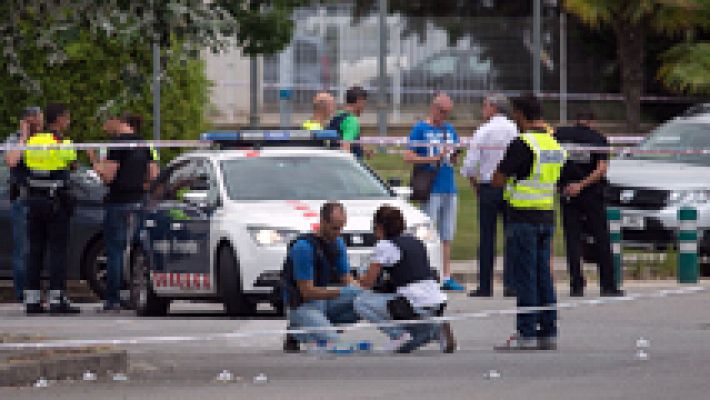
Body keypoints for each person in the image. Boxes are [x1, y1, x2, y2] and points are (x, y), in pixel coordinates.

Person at [491, 94, 565, 350]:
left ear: (521, 113)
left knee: (526, 276)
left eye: (515, 113)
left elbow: (498, 178)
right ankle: (548, 331)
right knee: (544, 275)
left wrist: (506, 180)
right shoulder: (553, 144)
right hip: (546, 214)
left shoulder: (523, 143)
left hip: (523, 217)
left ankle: (526, 332)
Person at [354, 205, 456, 353]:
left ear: (380, 227)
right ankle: (435, 329)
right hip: (435, 301)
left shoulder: (385, 245)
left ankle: (397, 335)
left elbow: (369, 282)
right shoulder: (415, 241)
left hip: (413, 303)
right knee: (404, 348)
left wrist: (355, 278)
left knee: (361, 302)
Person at [89, 113, 160, 311]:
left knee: (115, 252)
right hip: (139, 203)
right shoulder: (145, 145)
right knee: (138, 250)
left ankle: (113, 299)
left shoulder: (117, 145)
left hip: (119, 202)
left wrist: (94, 162)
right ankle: (137, 297)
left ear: (123, 123)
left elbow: (108, 177)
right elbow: (154, 175)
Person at [555, 112, 625, 297]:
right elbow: (601, 169)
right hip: (591, 193)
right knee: (601, 237)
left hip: (567, 192)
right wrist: (582, 185)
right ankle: (607, 285)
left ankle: (576, 284)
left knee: (572, 240)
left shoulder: (559, 135)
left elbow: (551, 162)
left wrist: (560, 185)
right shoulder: (597, 138)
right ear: (592, 122)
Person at [22, 103, 81, 314]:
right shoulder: (63, 143)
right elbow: (73, 166)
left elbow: (26, 167)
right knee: (57, 251)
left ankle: (32, 300)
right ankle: (57, 299)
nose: (69, 122)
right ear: (58, 120)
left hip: (34, 203)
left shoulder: (33, 141)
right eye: (67, 118)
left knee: (35, 251)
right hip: (55, 203)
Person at [282, 202, 362, 352]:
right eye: (334, 228)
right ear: (322, 222)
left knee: (363, 304)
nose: (338, 233)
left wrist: (362, 290)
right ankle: (297, 330)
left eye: (341, 228)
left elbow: (346, 278)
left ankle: (319, 326)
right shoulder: (303, 247)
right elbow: (307, 292)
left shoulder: (337, 243)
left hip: (323, 301)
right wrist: (341, 292)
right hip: (302, 303)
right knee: (333, 343)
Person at [404, 93, 463, 292]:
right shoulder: (420, 129)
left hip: (449, 186)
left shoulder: (449, 129)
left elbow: (453, 152)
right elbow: (408, 156)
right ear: (433, 108)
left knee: (447, 234)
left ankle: (446, 275)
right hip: (431, 187)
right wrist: (431, 159)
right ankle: (425, 273)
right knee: (427, 232)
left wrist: (452, 157)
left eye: (448, 112)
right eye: (442, 111)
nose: (444, 116)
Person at [461, 94, 518, 298]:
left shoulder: (483, 130)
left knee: (487, 237)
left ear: (494, 107)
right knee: (510, 236)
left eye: (485, 106)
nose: (483, 109)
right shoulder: (515, 129)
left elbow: (469, 164)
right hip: (510, 187)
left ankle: (485, 286)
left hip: (488, 186)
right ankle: (511, 284)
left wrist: (474, 184)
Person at [4, 106, 43, 302]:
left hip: (42, 198)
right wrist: (24, 137)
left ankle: (36, 291)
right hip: (22, 200)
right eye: (38, 119)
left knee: (39, 247)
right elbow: (11, 161)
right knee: (23, 249)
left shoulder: (44, 139)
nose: (41, 122)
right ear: (28, 120)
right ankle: (22, 292)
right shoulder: (15, 139)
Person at [327, 86, 367, 159]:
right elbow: (345, 146)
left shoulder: (336, 116)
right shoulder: (351, 120)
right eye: (364, 103)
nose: (364, 107)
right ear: (359, 101)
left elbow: (337, 142)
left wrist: (361, 151)